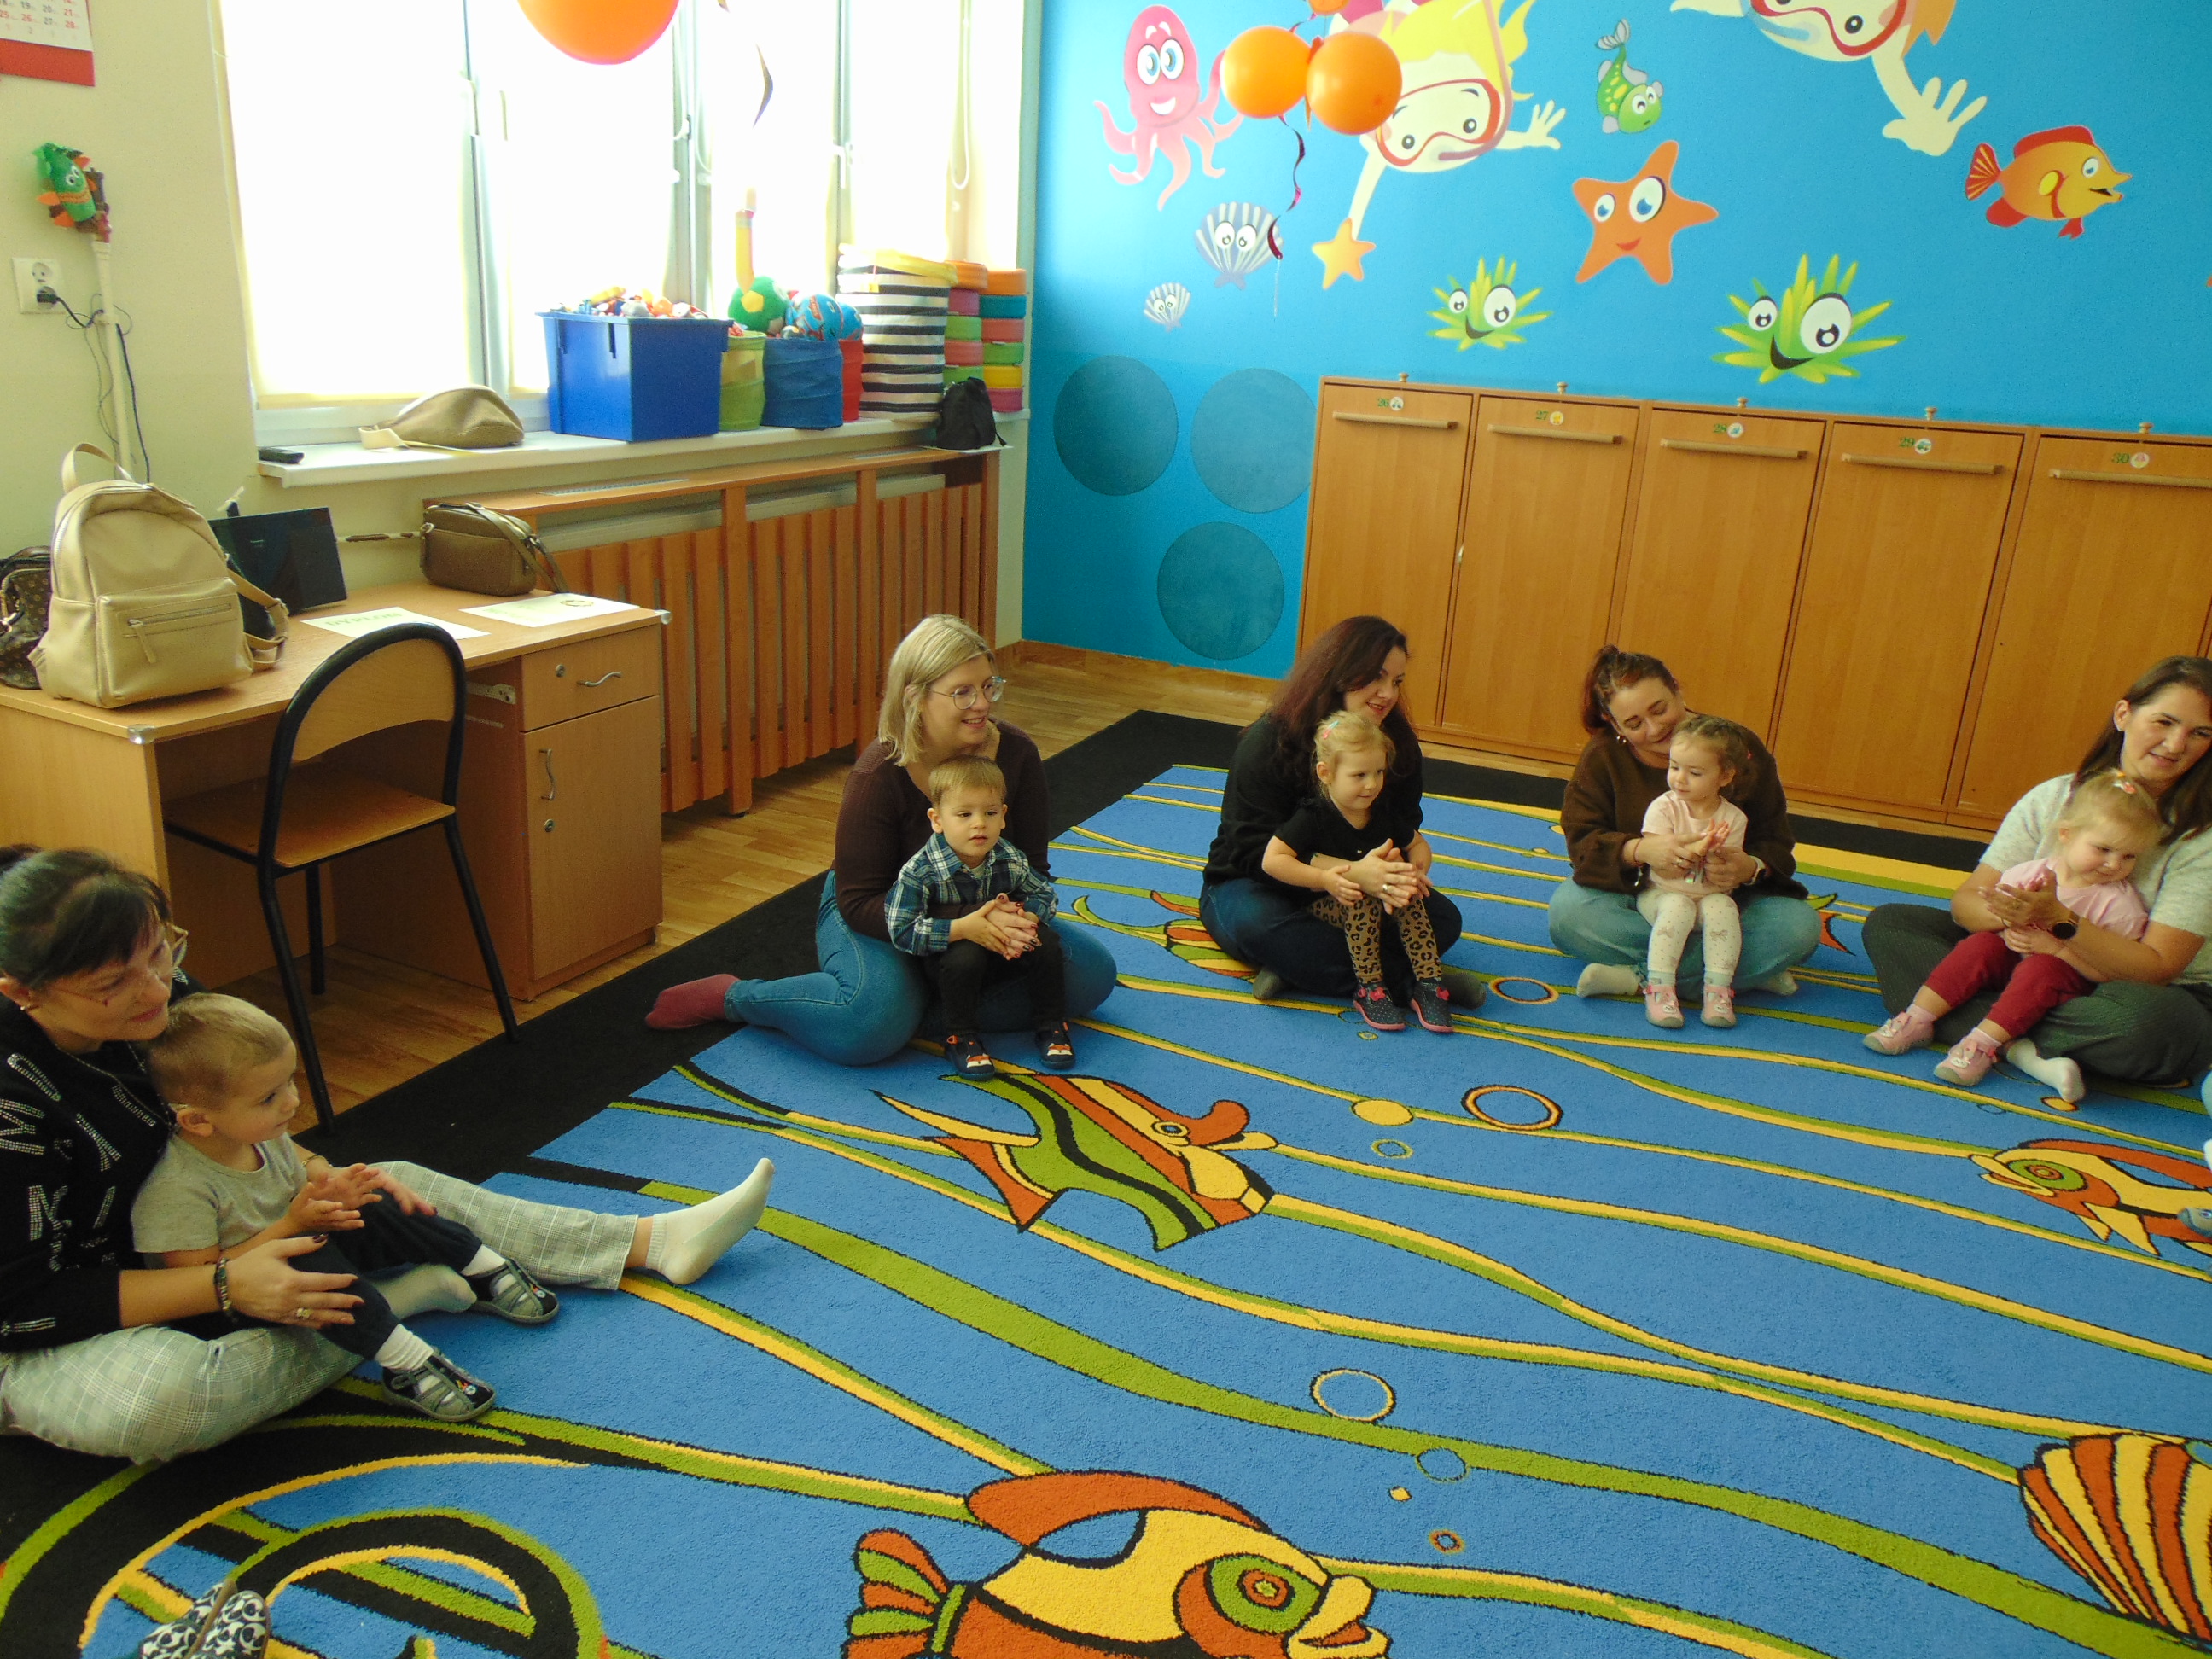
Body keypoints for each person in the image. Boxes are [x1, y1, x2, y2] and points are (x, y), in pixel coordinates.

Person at [0, 846, 777, 1463]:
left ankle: (649, 1243)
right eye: (114, 983)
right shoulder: (11, 1102)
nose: (154, 988)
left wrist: (315, 1176)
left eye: (159, 954)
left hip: (215, 1229)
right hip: (59, 1324)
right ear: (20, 992)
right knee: (159, 1402)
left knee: (386, 1185)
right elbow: (25, 1301)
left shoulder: (159, 997)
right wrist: (226, 1283)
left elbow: (233, 1110)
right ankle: (395, 1301)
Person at [645, 616, 1117, 1066]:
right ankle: (738, 997)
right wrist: (960, 927)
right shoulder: (878, 774)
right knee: (865, 1028)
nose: (982, 704)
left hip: (982, 908)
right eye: (962, 692)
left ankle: (913, 1009)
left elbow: (1033, 869)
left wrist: (1018, 918)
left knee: (1093, 976)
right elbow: (858, 902)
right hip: (881, 911)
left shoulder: (1017, 753)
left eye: (988, 686)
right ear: (916, 697)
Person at [134, 994, 549, 1423]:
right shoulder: (177, 1189)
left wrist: (338, 1184)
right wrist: (291, 1226)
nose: (291, 1102)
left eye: (290, 1082)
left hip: (299, 1239)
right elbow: (203, 1279)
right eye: (269, 1097)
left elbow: (303, 1171)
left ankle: (479, 1267)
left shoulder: (253, 1133)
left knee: (371, 1198)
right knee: (309, 1258)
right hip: (241, 1299)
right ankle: (406, 1363)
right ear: (199, 1121)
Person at [1864, 657, 2212, 1097]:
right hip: (2017, 958)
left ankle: (1970, 1023)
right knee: (1893, 924)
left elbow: (2156, 969)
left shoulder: (2201, 840)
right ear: (2124, 714)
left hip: (2132, 990)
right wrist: (2016, 912)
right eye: (2164, 722)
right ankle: (2014, 1044)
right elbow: (1967, 904)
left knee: (2145, 1026)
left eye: (2201, 733)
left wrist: (2058, 921)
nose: (2177, 744)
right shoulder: (2054, 798)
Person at [1202, 616, 1483, 1010]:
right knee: (1257, 924)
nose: (1388, 694)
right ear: (1339, 674)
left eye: (1397, 681)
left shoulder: (1396, 742)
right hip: (1258, 881)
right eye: (1377, 678)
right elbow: (1251, 851)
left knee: (1444, 920)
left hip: (1356, 894)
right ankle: (1415, 983)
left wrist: (1399, 873)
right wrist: (1348, 873)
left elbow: (1403, 827)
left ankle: (1300, 968)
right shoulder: (1270, 741)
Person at [1551, 645, 1819, 1000]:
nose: (1655, 728)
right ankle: (1737, 972)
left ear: (1677, 689)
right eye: (1634, 724)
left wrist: (1748, 867)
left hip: (1724, 906)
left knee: (1799, 928)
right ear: (1614, 725)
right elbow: (1582, 844)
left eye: (1659, 709)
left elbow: (1775, 840)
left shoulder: (1736, 747)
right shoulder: (1604, 757)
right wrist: (1641, 850)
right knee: (1569, 915)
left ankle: (1641, 978)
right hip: (1643, 900)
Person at [1863, 773, 2161, 1091]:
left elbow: (2110, 974)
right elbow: (1984, 917)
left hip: (2062, 986)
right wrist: (2007, 923)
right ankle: (1917, 1018)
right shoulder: (2030, 873)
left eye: (2129, 856)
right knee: (1980, 944)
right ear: (2066, 834)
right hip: (2009, 969)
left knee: (2042, 968)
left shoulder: (2120, 907)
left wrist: (2057, 950)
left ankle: (1982, 1045)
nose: (2114, 864)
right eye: (2103, 849)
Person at [1261, 712, 1456, 1033]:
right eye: (1359, 775)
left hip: (1379, 898)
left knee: (1408, 897)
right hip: (1326, 904)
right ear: (1326, 773)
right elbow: (1273, 860)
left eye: (1379, 772)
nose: (1372, 784)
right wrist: (1324, 879)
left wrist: (1415, 872)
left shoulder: (1382, 812)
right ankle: (1370, 988)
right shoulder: (1313, 815)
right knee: (1361, 901)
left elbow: (1418, 844)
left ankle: (1429, 984)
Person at [885, 754, 1072, 1078]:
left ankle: (1051, 1024)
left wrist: (1026, 921)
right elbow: (902, 931)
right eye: (964, 814)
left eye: (990, 813)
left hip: (1001, 950)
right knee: (966, 956)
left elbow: (1044, 893)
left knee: (1046, 942)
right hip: (949, 960)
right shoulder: (920, 871)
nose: (979, 824)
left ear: (1003, 816)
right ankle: (961, 1036)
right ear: (937, 820)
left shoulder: (1009, 857)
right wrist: (961, 929)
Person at [1636, 716, 1755, 1030]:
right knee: (1678, 907)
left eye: (1695, 773)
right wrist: (1700, 846)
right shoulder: (1663, 808)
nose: (1680, 779)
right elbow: (1663, 864)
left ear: (1725, 776)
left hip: (1708, 897)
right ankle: (1659, 988)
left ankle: (1718, 991)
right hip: (1663, 895)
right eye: (1674, 767)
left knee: (1724, 906)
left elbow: (1723, 873)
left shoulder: (1734, 818)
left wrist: (1719, 856)